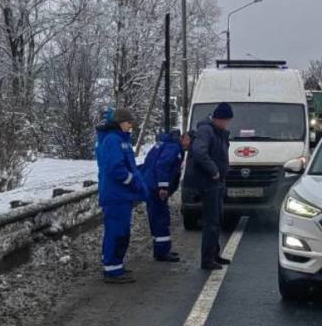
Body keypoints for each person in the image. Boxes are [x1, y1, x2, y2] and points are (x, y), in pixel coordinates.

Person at [95, 108, 149, 284]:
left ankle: (115, 265)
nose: (130, 125)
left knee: (120, 231)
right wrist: (132, 181)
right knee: (117, 232)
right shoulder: (113, 140)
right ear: (119, 123)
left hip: (120, 195)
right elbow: (115, 168)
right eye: (128, 122)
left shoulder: (119, 139)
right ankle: (112, 270)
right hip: (116, 195)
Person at [185, 102, 233, 270]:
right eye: (227, 120)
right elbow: (199, 152)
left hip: (217, 182)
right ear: (220, 118)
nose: (228, 124)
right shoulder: (207, 131)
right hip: (209, 182)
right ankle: (207, 260)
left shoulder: (218, 132)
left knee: (217, 219)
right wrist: (213, 171)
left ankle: (214, 254)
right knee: (211, 222)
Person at [142, 129, 191, 262]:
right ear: (184, 138)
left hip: (150, 184)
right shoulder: (173, 147)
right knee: (161, 218)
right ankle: (162, 252)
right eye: (190, 141)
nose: (189, 146)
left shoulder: (165, 144)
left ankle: (161, 249)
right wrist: (163, 187)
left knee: (159, 217)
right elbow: (162, 166)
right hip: (155, 188)